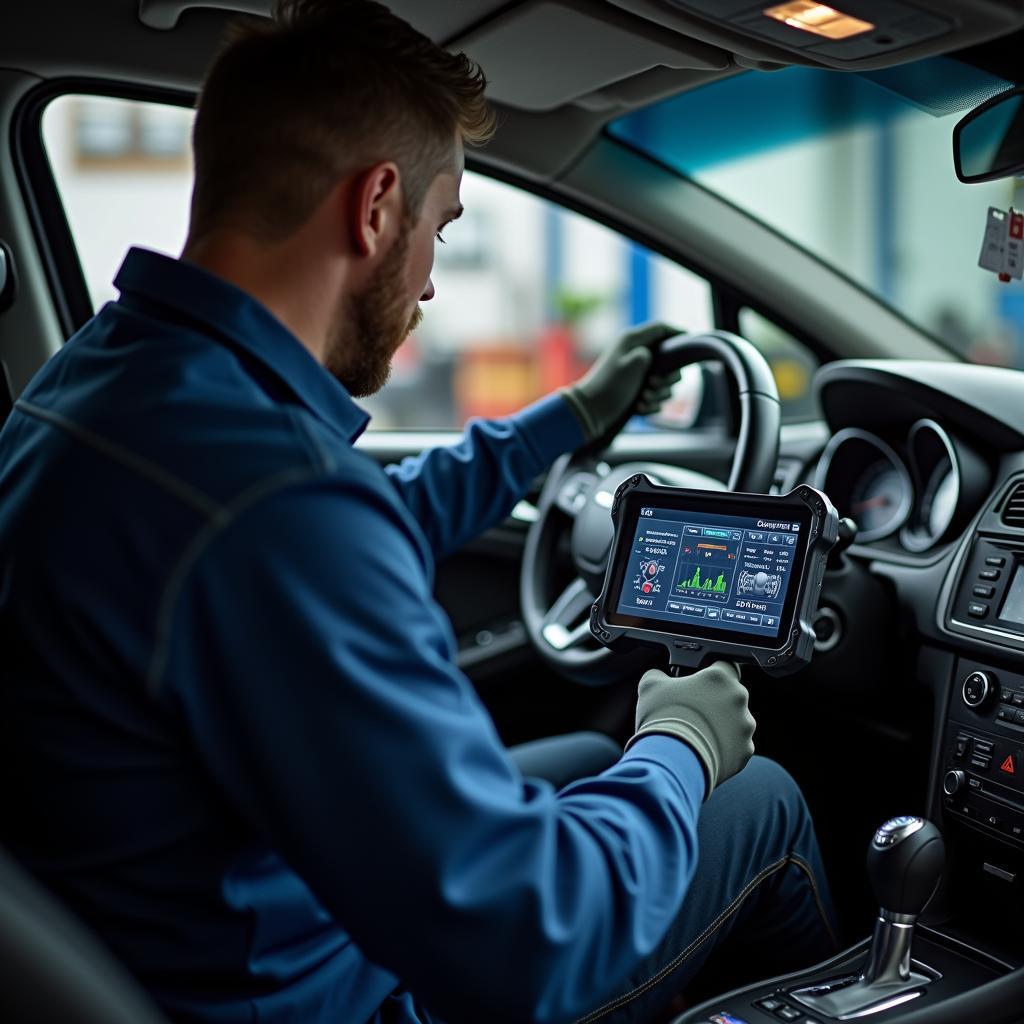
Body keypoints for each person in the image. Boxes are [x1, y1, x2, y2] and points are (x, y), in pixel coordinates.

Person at [0, 2, 838, 1022]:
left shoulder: (106, 386)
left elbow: (343, 527)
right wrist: (682, 742)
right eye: (439, 230)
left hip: (187, 934)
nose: (432, 281)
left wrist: (564, 421)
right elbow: (537, 937)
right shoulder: (281, 502)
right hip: (336, 998)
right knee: (757, 798)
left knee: (584, 758)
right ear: (377, 207)